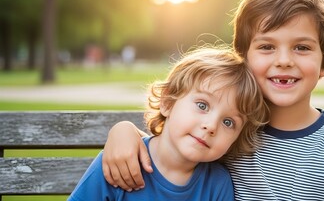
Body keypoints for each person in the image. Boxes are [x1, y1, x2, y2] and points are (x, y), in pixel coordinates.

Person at [101, 0, 324, 200]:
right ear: (243, 57)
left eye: (301, 47)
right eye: (266, 47)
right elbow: (174, 144)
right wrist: (124, 131)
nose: (283, 61)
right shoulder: (229, 130)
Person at [68, 47, 269, 200]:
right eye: (202, 105)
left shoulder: (217, 185)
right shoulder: (120, 161)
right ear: (167, 102)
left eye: (228, 122)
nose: (211, 126)